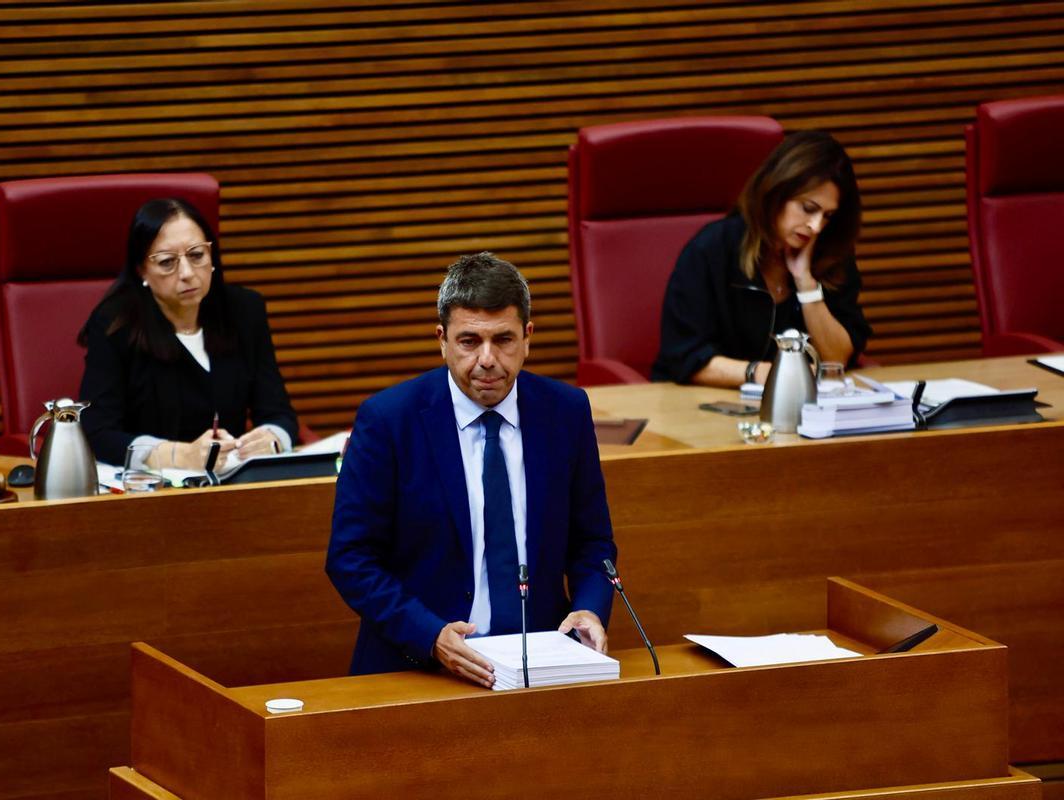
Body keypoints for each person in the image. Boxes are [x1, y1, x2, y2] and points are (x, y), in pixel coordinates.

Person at [326, 252, 617, 688]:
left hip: (539, 663)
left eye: (503, 339)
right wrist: (430, 635)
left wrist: (590, 607)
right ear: (442, 339)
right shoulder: (389, 421)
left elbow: (593, 542)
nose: (487, 359)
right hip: (418, 666)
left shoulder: (565, 412)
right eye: (469, 342)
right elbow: (351, 559)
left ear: (528, 337)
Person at [78, 197, 298, 469]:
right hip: (149, 491)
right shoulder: (115, 325)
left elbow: (279, 413)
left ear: (212, 256)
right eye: (167, 262)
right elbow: (96, 433)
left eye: (196, 255)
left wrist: (272, 438)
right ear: (141, 270)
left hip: (231, 483)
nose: (186, 273)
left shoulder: (244, 310)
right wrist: (175, 456)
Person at [651, 131, 873, 387]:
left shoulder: (830, 253)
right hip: (700, 408)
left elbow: (835, 361)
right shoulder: (712, 249)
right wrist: (763, 374)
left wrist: (806, 284)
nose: (816, 226)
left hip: (804, 414)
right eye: (808, 208)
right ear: (776, 192)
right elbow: (685, 359)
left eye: (828, 216)